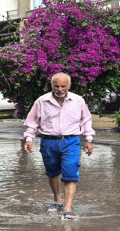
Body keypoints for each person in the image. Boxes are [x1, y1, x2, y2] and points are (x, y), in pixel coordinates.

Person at [23, 72, 95, 220]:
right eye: (57, 86)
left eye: (63, 86)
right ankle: (57, 200)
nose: (60, 89)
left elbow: (86, 120)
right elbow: (32, 122)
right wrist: (29, 139)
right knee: (52, 172)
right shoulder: (42, 101)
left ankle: (68, 208)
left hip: (71, 141)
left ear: (69, 85)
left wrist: (88, 139)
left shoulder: (78, 101)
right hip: (49, 142)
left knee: (71, 173)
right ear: (52, 86)